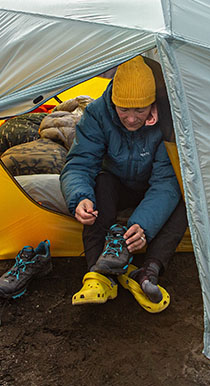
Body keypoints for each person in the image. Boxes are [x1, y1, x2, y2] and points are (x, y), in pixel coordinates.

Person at [60, 56, 188, 313]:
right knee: (100, 184)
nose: (131, 119)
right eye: (123, 110)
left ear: (152, 103)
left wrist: (141, 227)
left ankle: (149, 271)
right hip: (116, 183)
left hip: (153, 188)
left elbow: (166, 182)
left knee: (185, 201)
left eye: (140, 110)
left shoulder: (169, 120)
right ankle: (98, 274)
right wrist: (79, 197)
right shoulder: (98, 113)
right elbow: (80, 163)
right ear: (113, 102)